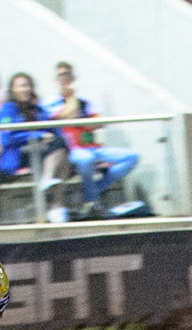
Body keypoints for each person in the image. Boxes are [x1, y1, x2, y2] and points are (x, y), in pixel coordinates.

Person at [47, 60, 139, 215]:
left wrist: (77, 114)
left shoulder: (85, 103)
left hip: (92, 146)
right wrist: (72, 102)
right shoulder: (51, 102)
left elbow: (99, 123)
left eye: (67, 75)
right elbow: (64, 117)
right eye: (60, 75)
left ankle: (94, 191)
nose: (64, 78)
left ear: (73, 77)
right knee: (86, 159)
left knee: (132, 157)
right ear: (56, 79)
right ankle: (91, 200)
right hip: (70, 150)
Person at [0, 71, 72, 220]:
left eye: (28, 85)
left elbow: (53, 129)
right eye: (21, 86)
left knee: (62, 150)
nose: (25, 89)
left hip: (41, 152)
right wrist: (38, 135)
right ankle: (52, 193)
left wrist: (50, 134)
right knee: (59, 155)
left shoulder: (37, 109)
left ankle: (55, 203)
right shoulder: (6, 110)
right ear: (13, 89)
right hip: (18, 155)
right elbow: (7, 138)